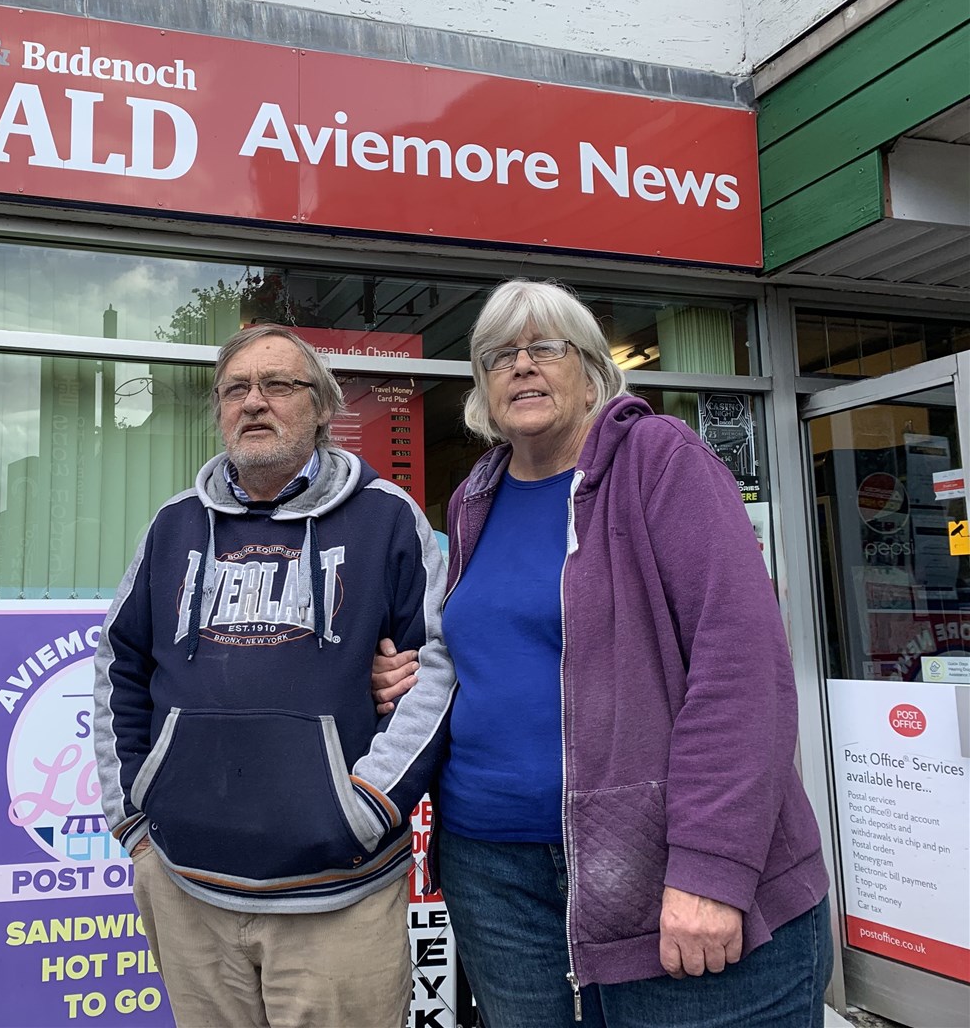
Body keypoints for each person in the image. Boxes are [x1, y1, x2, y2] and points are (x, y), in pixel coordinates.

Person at [373, 280, 830, 1027]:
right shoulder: (474, 498)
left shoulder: (658, 460)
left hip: (662, 866)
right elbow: (498, 651)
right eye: (497, 356)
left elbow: (742, 669)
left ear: (591, 374)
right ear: (481, 388)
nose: (520, 367)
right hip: (494, 872)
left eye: (543, 348)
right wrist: (420, 671)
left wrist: (713, 869)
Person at [94, 323, 456, 1028]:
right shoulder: (173, 526)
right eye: (236, 389)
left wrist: (369, 806)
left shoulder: (386, 520)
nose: (254, 402)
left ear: (322, 408)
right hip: (187, 890)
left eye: (279, 385)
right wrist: (131, 811)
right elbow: (121, 662)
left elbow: (437, 665)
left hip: (336, 899)